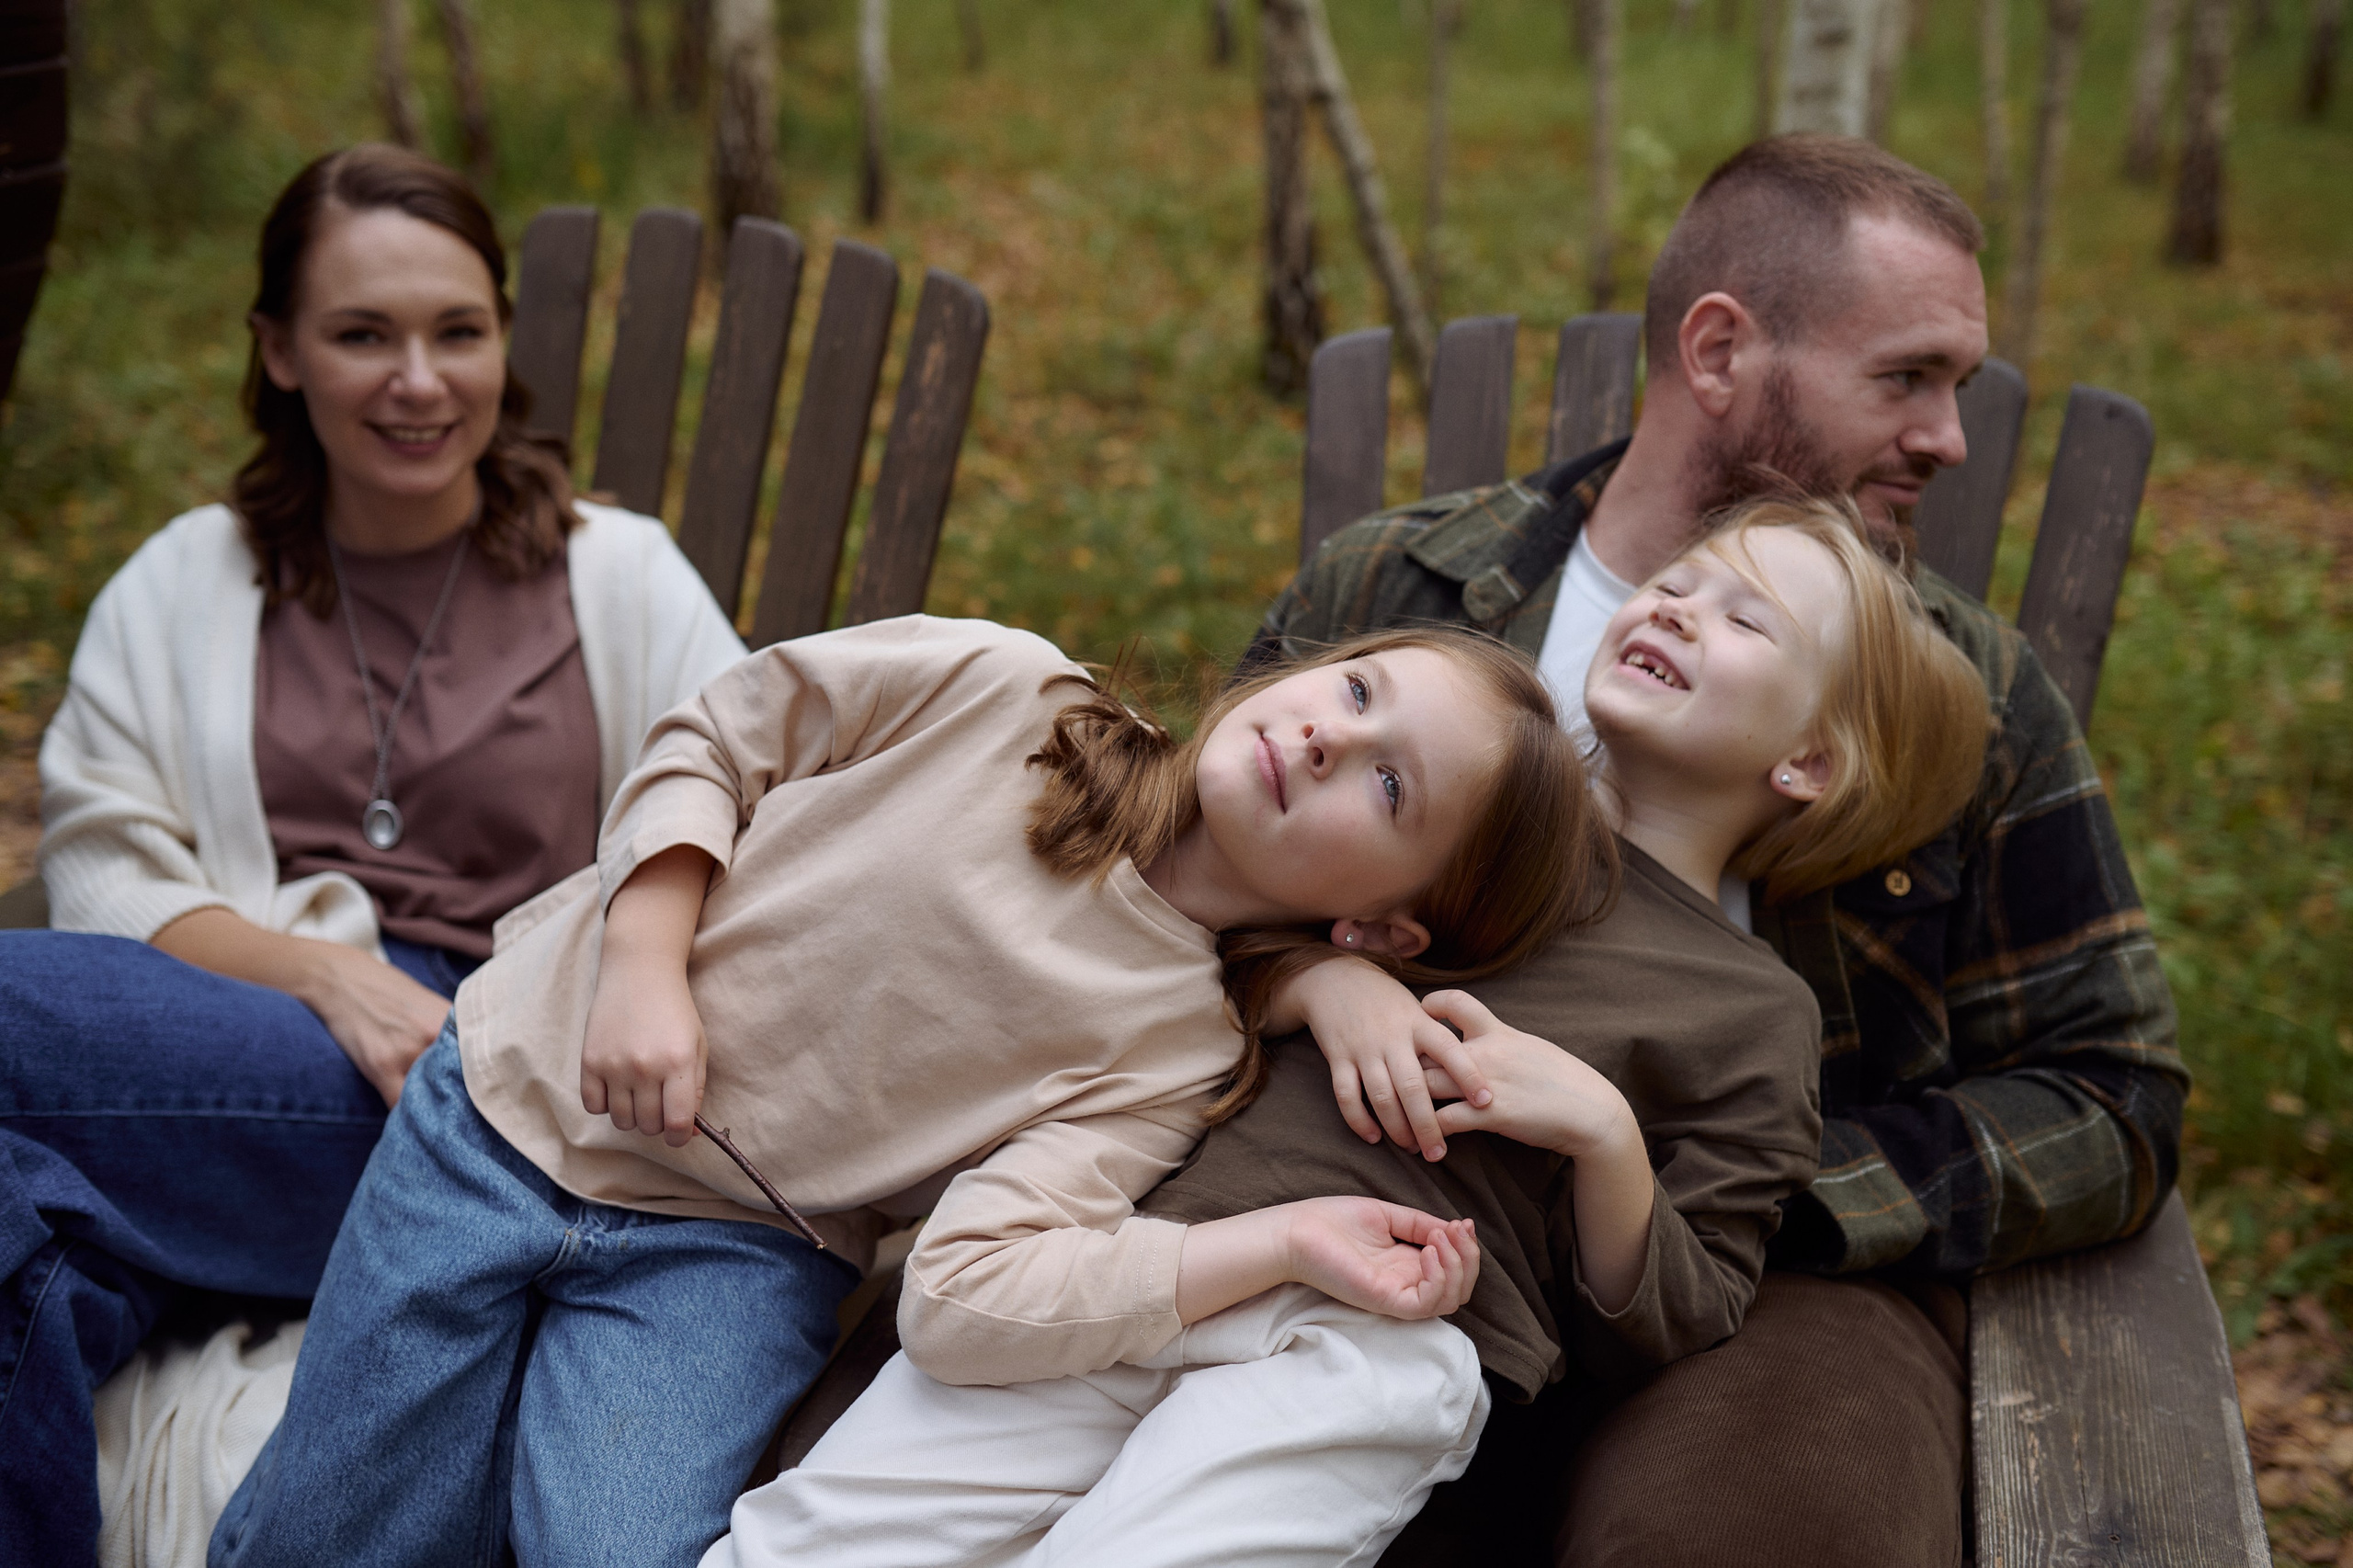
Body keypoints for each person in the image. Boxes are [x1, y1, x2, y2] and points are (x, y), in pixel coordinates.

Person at [699, 496, 1993, 1568]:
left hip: (1386, 1321)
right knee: (817, 1538)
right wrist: (1321, 978)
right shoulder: (1447, 815)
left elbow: (1681, 1308)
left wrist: (1601, 1133)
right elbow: (1186, 937)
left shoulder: (1753, 1009)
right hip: (1153, 1245)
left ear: (1807, 763)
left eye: (1745, 618)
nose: (1676, 608)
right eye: (1676, 580)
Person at [1247, 134, 2189, 1566]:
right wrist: (1324, 980)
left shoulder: (1958, 697)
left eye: (1957, 386)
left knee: (1745, 1524)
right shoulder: (1400, 592)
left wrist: (1743, 1193)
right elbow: (1181, 885)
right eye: (1907, 377)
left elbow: (2114, 1094)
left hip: (1773, 1296)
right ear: (1720, 350)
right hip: (1343, 1190)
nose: (1949, 436)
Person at [207, 614, 1598, 1568]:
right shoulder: (1012, 695)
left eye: (1392, 787)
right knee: (335, 1540)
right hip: (511, 1104)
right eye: (1357, 693)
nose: (1331, 740)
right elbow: (717, 734)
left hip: (733, 1246)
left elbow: (969, 1292)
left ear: (1385, 928)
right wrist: (642, 958)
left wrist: (1281, 1243)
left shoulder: (1177, 1053)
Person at [0, 143, 745, 1568]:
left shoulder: (622, 575)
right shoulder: (186, 580)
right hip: (257, 1046)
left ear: (503, 342)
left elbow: (746, 805)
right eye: (362, 335)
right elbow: (104, 863)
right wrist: (326, 975)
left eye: (457, 332)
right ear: (279, 351)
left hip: (511, 1089)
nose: (419, 381)